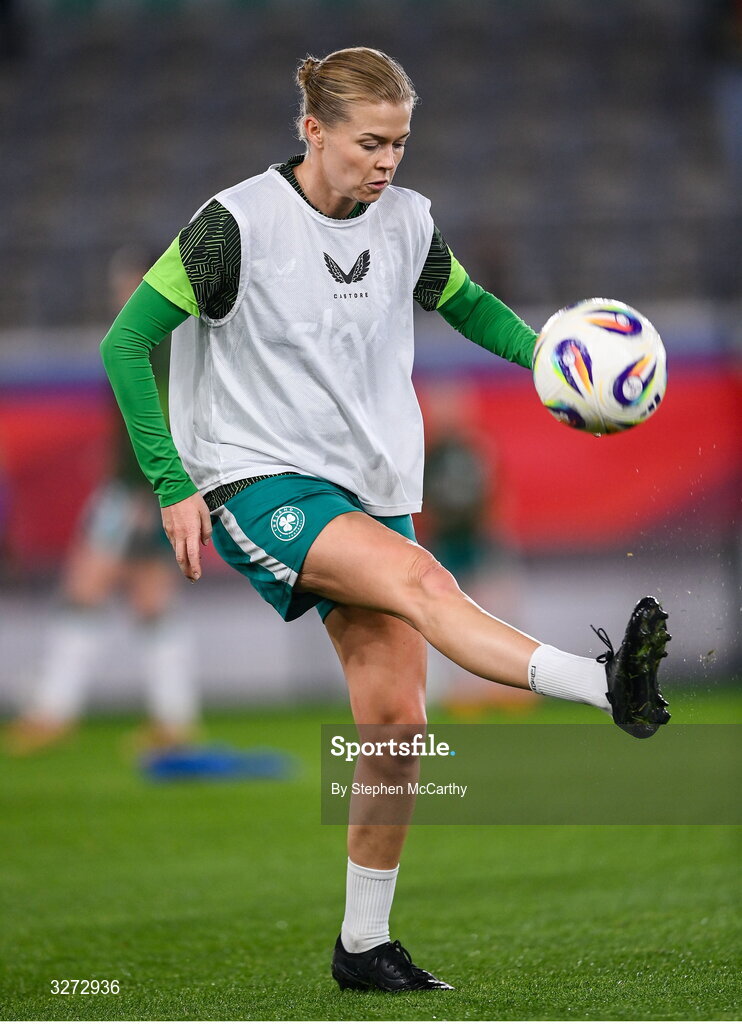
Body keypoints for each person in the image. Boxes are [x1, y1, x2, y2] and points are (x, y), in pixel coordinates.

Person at [99, 48, 671, 993]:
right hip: (257, 480)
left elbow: (468, 304)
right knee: (423, 583)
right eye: (370, 142)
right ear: (313, 130)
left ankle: (363, 946)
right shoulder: (232, 227)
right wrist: (170, 484)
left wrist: (548, 362)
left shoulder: (407, 224)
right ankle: (604, 681)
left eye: (400, 142)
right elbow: (128, 343)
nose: (387, 162)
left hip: (371, 487)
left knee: (397, 723)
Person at [6, 247, 199, 756]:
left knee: (84, 588)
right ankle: (176, 719)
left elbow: (158, 424)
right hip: (148, 489)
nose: (119, 293)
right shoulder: (166, 342)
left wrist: (140, 488)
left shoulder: (149, 343)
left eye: (125, 283)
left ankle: (53, 709)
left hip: (136, 493)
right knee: (150, 601)